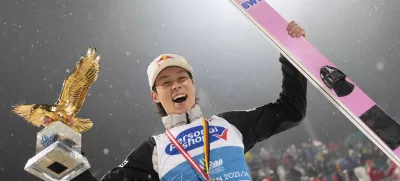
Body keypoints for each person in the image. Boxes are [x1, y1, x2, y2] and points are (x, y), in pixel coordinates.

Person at [41, 21, 308, 181]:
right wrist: (59, 142)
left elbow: (291, 110)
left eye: (182, 78)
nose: (176, 84)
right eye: (166, 82)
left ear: (192, 85)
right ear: (155, 95)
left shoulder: (230, 125)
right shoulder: (155, 150)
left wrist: (292, 52)